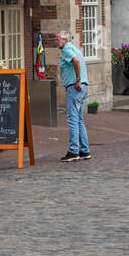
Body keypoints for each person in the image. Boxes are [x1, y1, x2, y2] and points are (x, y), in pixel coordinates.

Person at [56, 29, 91, 161]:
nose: (56, 41)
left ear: (65, 40)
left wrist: (77, 80)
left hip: (74, 88)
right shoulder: (76, 49)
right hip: (82, 88)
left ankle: (73, 151)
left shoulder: (67, 50)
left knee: (72, 120)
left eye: (58, 38)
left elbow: (75, 61)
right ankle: (84, 150)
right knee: (79, 120)